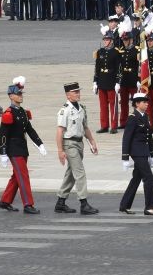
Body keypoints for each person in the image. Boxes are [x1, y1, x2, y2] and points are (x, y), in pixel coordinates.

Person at [0, 77, 46, 214]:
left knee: (16, 176)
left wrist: (39, 144)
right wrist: (2, 152)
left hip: (22, 149)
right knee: (23, 175)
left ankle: (5, 201)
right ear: (11, 96)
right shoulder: (8, 113)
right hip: (13, 150)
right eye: (18, 94)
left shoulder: (23, 112)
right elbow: (2, 134)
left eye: (21, 94)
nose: (21, 96)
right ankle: (28, 204)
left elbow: (30, 130)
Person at [55, 82, 100, 215]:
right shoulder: (65, 111)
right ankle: (83, 203)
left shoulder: (81, 108)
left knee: (71, 174)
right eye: (75, 92)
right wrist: (60, 151)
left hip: (79, 143)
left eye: (78, 91)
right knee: (80, 173)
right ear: (68, 95)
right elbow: (59, 132)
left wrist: (92, 141)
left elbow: (85, 127)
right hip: (69, 144)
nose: (78, 94)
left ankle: (60, 202)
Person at [119, 92, 153, 216]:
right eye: (144, 102)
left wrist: (152, 154)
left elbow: (149, 137)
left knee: (136, 178)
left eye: (147, 102)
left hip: (144, 151)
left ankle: (124, 205)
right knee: (148, 178)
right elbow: (126, 138)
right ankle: (150, 207)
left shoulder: (145, 116)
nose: (147, 104)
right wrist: (125, 158)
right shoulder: (132, 118)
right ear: (137, 104)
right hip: (136, 152)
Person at [94, 30, 121, 133]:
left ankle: (114, 126)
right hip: (102, 81)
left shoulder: (116, 52)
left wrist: (118, 82)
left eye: (107, 39)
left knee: (113, 105)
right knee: (103, 106)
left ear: (111, 41)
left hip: (111, 82)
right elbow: (97, 68)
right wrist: (95, 82)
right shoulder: (100, 52)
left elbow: (119, 68)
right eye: (104, 39)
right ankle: (104, 125)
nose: (105, 41)